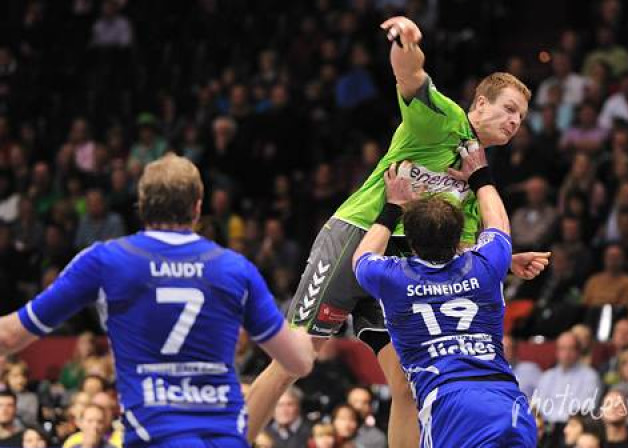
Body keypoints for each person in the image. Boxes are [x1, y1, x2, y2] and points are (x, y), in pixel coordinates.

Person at [245, 15, 550, 448]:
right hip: (356, 234)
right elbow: (409, 74)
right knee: (297, 357)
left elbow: (462, 244)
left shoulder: (475, 170)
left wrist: (509, 261)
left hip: (398, 266)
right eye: (508, 109)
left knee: (406, 383)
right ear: (479, 104)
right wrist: (405, 40)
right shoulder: (441, 120)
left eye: (521, 116)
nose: (515, 121)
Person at [0, 154, 314, 447]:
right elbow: (297, 362)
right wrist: (308, 330)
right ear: (197, 207)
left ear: (142, 205)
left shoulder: (106, 261)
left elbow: (10, 336)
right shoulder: (235, 268)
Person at [352, 147, 538, 446]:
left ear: (410, 240)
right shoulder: (486, 265)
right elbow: (499, 225)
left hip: (449, 404)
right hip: (506, 400)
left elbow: (361, 257)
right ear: (459, 236)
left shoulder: (394, 278)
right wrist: (480, 175)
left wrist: (393, 206)